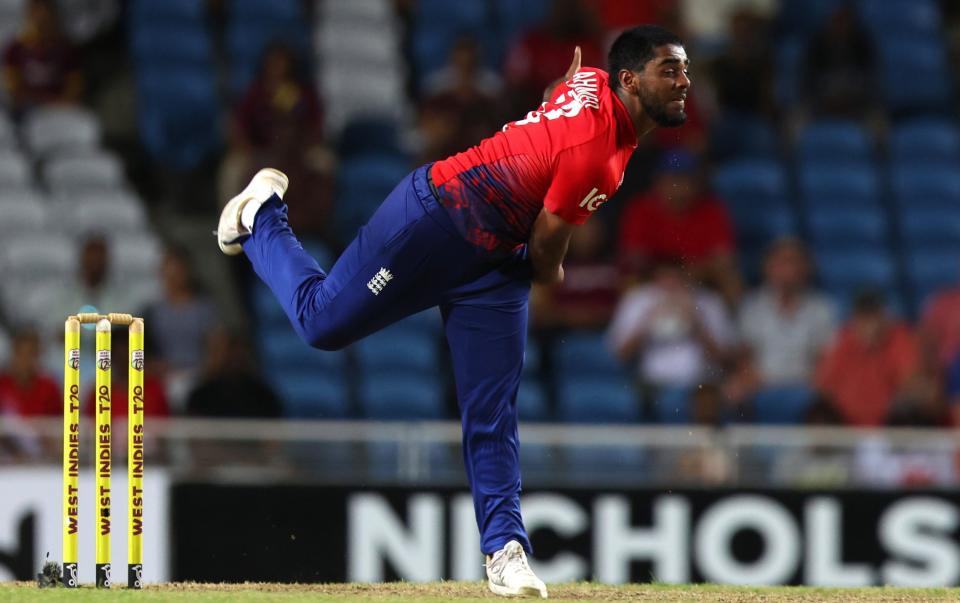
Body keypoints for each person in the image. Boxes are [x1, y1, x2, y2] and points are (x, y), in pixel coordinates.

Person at [216, 26, 691, 598]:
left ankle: (504, 552)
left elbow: (554, 96)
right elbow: (547, 250)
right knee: (320, 324)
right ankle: (264, 214)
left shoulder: (590, 82)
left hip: (494, 261)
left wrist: (559, 93)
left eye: (684, 69)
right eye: (671, 70)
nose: (684, 81)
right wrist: (553, 273)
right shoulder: (599, 157)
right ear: (630, 81)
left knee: (492, 414)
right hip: (439, 220)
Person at [617, 148, 740, 303]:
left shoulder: (711, 210)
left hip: (698, 282)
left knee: (731, 278)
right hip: (654, 281)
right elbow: (634, 258)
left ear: (697, 183)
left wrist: (686, 273)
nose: (679, 187)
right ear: (658, 181)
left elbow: (723, 259)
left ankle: (731, 325)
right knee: (628, 278)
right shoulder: (640, 208)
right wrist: (668, 273)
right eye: (673, 179)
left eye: (685, 179)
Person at [607, 258, 735, 392]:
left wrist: (697, 324)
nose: (670, 284)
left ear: (685, 278)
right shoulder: (638, 299)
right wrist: (645, 323)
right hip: (651, 382)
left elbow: (724, 359)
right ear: (654, 279)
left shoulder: (708, 301)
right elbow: (621, 354)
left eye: (676, 279)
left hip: (699, 383)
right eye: (664, 278)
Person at [815, 291, 922, 426]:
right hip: (846, 425)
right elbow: (823, 385)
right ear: (854, 319)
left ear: (883, 317)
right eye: (863, 317)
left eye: (873, 316)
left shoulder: (899, 338)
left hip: (889, 426)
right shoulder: (843, 339)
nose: (869, 324)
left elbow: (911, 381)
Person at [2, 0, 83, 116]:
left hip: (59, 109)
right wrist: (35, 100)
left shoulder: (66, 48)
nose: (41, 18)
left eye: (46, 13)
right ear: (28, 15)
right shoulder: (15, 49)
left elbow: (74, 89)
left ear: (54, 15)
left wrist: (55, 102)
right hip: (27, 111)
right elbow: (13, 89)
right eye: (36, 12)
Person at [0, 328, 59, 416]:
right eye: (20, 354)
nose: (25, 360)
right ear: (13, 354)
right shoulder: (2, 384)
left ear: (38, 355)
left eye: (30, 354)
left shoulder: (49, 388)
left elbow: (59, 421)